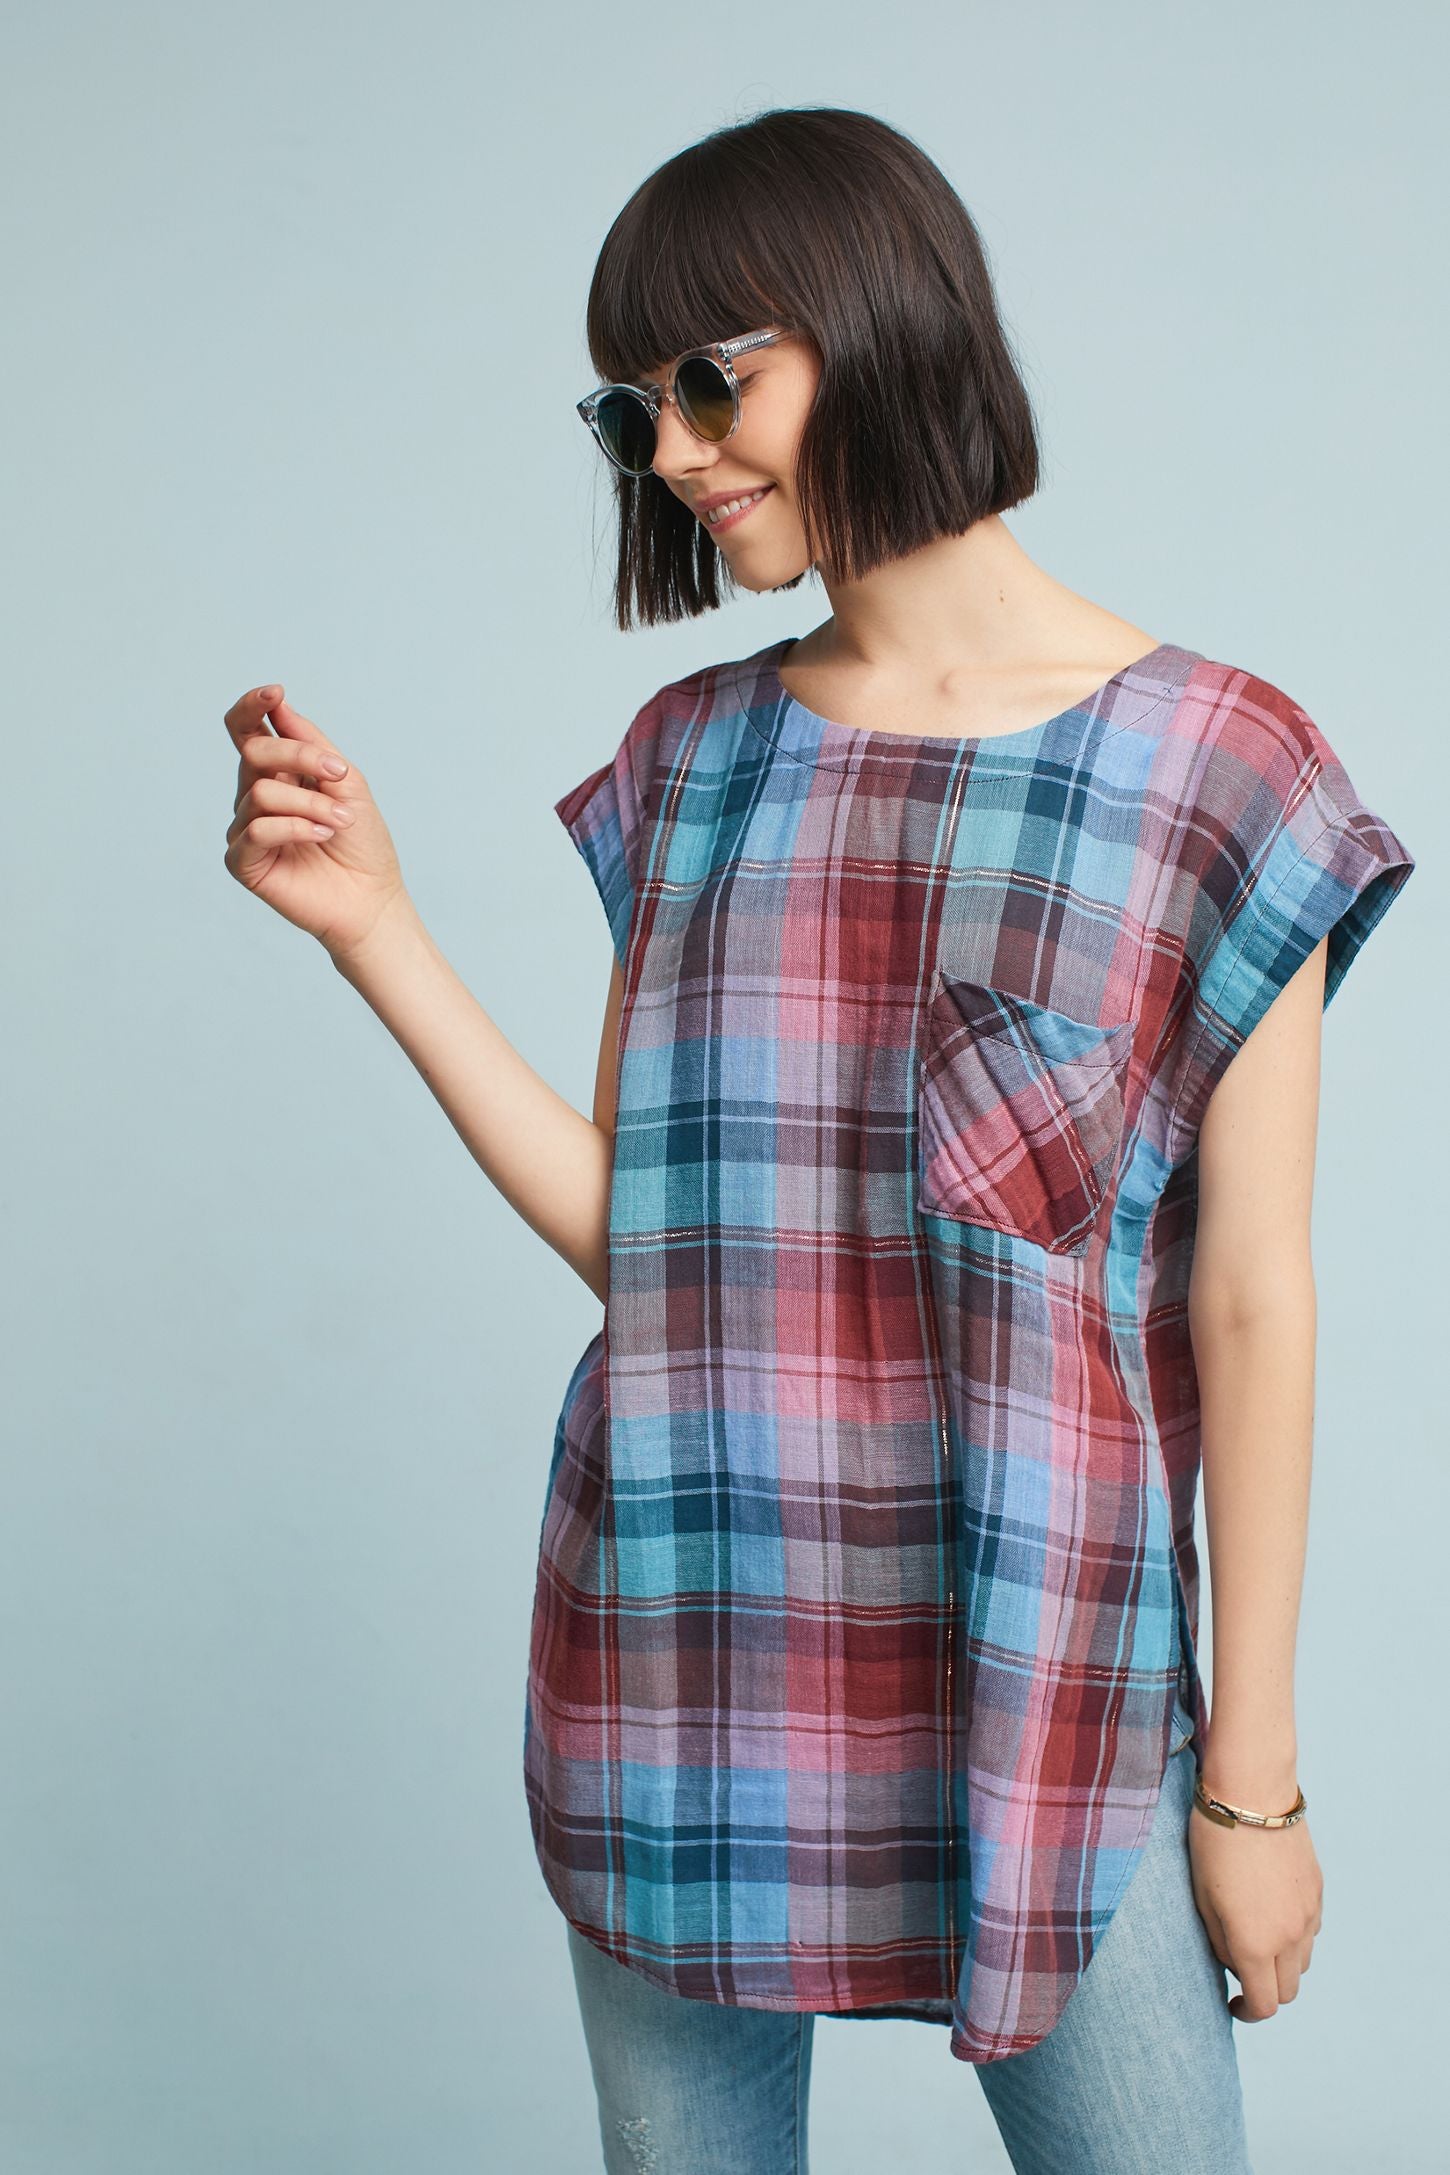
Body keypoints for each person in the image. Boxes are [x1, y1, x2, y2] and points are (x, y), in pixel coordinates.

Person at [221, 104, 1416, 2175]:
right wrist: (377, 932)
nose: (675, 452)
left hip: (1045, 1681)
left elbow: (1249, 1298)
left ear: (876, 324)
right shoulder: (693, 759)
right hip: (681, 1660)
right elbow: (648, 1241)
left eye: (710, 380)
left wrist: (1251, 1782)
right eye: (632, 412)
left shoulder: (1223, 769)